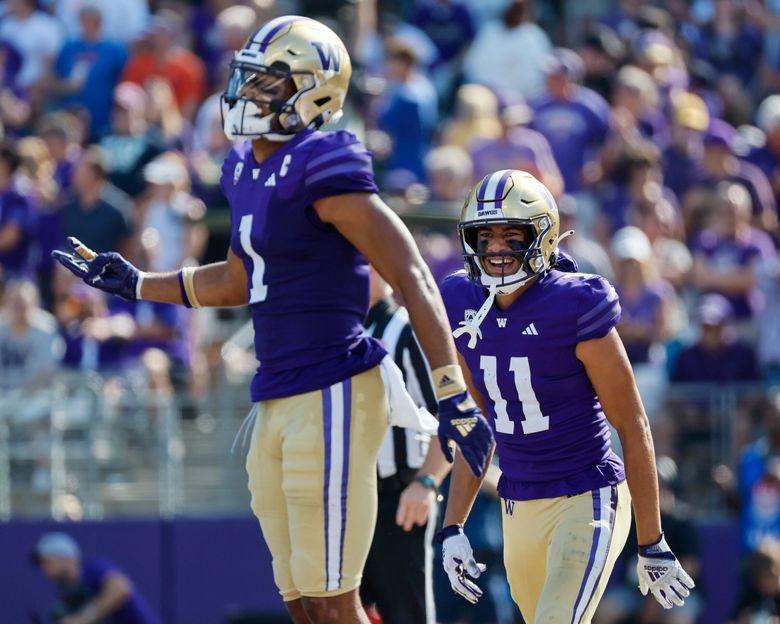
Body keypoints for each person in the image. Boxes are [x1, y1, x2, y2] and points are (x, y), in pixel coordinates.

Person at [53, 16, 493, 624]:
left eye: (268, 82)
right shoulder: (242, 169)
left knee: (338, 603)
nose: (248, 94)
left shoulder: (322, 160)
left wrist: (452, 392)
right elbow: (237, 277)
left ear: (312, 92)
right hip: (277, 391)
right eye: (249, 79)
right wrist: (138, 283)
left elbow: (410, 271)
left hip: (334, 387)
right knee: (304, 604)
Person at [435, 169, 694, 623]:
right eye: (486, 236)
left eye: (511, 234)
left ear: (543, 236)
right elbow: (478, 423)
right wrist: (453, 526)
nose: (496, 249)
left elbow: (632, 423)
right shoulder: (460, 298)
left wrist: (652, 539)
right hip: (518, 503)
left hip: (587, 494)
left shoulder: (574, 303)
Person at [360, 266, 451, 624]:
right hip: (346, 500)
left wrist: (427, 481)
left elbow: (450, 414)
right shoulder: (334, 331)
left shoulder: (404, 329)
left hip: (398, 495)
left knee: (406, 614)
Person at [32, 532, 160, 624]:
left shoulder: (93, 570)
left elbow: (121, 588)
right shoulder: (68, 594)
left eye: (47, 562)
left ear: (65, 558)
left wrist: (84, 617)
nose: (45, 569)